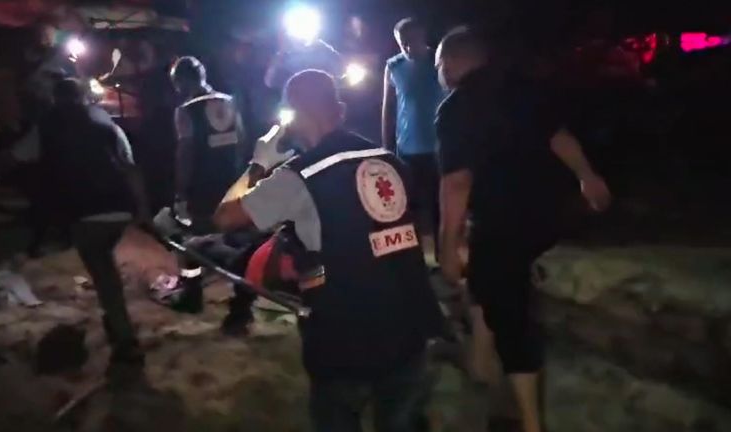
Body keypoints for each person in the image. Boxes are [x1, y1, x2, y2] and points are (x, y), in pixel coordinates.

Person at [215, 70, 444, 431]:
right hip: (410, 324)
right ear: (339, 110)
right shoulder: (391, 161)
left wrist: (258, 163)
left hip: (344, 334)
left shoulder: (299, 175)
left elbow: (226, 216)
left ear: (293, 115)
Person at [434, 28, 611, 432]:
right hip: (551, 213)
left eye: (439, 66)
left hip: (505, 223)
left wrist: (446, 248)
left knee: (505, 304)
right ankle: (480, 366)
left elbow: (456, 184)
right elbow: (560, 137)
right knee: (481, 274)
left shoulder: (456, 108)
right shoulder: (521, 89)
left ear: (452, 63)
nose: (439, 74)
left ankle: (528, 420)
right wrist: (588, 177)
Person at [38, 78, 150, 379]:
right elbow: (129, 166)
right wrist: (140, 208)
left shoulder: (49, 128)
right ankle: (116, 325)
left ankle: (126, 342)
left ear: (56, 99)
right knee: (107, 271)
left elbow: (23, 158)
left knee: (105, 277)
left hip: (86, 213)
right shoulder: (106, 125)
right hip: (119, 207)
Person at [382, 18, 445, 262]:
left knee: (441, 204)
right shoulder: (393, 66)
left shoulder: (439, 61)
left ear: (423, 37)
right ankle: (415, 260)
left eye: (412, 41)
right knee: (412, 206)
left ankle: (443, 255)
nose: (408, 48)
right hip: (408, 147)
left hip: (440, 146)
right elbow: (388, 109)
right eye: (402, 43)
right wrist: (386, 147)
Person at [171, 56, 245, 232]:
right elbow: (242, 141)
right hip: (232, 180)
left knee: (205, 239)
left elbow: (186, 152)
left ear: (181, 81)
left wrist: (180, 187)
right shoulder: (229, 102)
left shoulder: (185, 110)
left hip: (202, 187)